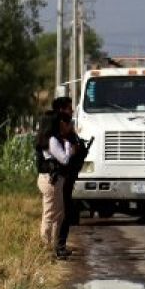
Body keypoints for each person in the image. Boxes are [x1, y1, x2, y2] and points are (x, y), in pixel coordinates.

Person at [39, 115, 78, 257]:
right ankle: (47, 248)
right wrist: (68, 146)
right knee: (51, 215)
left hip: (49, 179)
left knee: (56, 214)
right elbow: (65, 159)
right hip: (52, 181)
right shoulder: (53, 140)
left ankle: (52, 247)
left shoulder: (45, 139)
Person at [52, 96, 83, 257]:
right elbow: (65, 155)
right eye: (69, 109)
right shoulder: (58, 128)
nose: (71, 112)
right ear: (62, 110)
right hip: (61, 176)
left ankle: (60, 245)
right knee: (61, 213)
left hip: (67, 175)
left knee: (65, 212)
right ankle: (58, 246)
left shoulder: (66, 127)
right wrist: (73, 147)